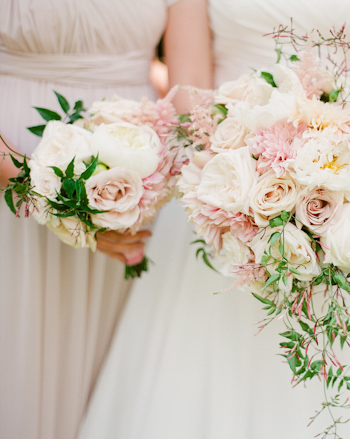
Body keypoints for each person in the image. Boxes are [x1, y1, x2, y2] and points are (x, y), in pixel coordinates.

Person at [78, 1, 350, 438]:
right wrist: (246, 170)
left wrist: (334, 170)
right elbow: (188, 87)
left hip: (346, 180)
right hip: (226, 175)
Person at [0, 1, 207, 438]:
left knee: (116, 386)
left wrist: (152, 184)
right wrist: (44, 191)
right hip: (12, 175)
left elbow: (189, 96)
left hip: (135, 189)